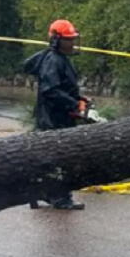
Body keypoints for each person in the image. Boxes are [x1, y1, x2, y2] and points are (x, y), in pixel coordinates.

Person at [23, 19, 89, 211]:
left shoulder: (60, 59)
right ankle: (61, 198)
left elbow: (64, 88)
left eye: (72, 39)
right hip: (53, 119)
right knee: (63, 159)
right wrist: (73, 104)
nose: (71, 43)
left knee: (52, 159)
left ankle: (39, 192)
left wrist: (79, 99)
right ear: (56, 40)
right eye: (67, 40)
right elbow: (50, 91)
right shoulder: (53, 61)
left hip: (59, 117)